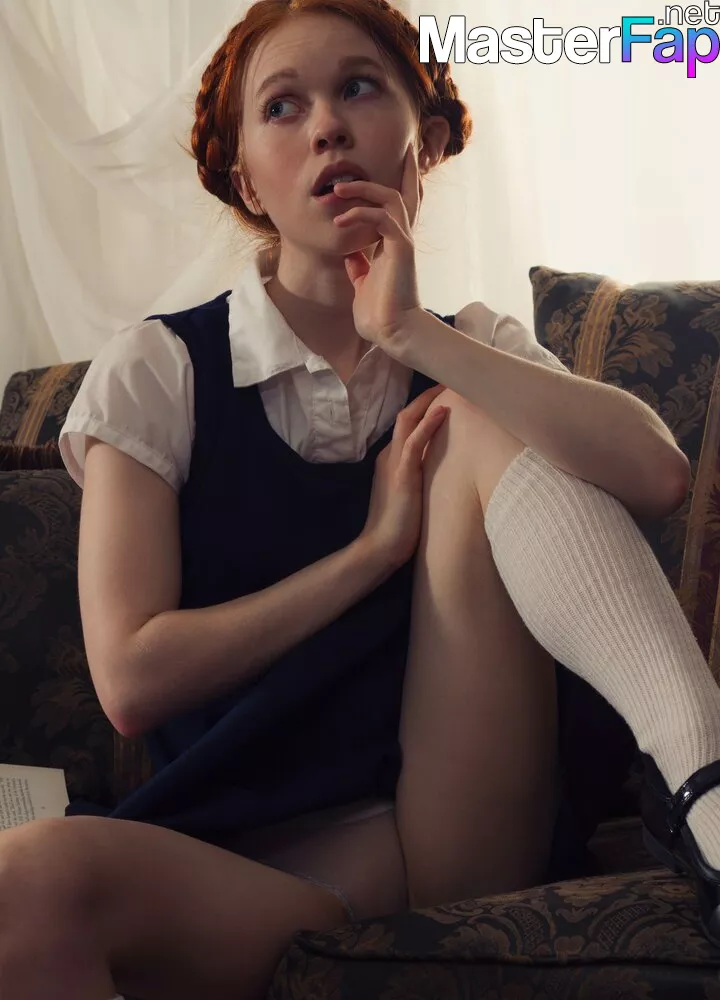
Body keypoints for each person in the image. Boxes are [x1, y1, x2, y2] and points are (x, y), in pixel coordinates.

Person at [1, 0, 718, 996]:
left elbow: (659, 472)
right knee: (25, 877)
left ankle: (706, 784)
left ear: (426, 145)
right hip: (236, 859)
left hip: (456, 827)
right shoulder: (161, 369)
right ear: (247, 178)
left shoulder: (470, 346)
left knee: (469, 413)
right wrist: (370, 553)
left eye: (360, 89)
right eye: (283, 106)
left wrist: (416, 334)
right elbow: (130, 678)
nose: (328, 126)